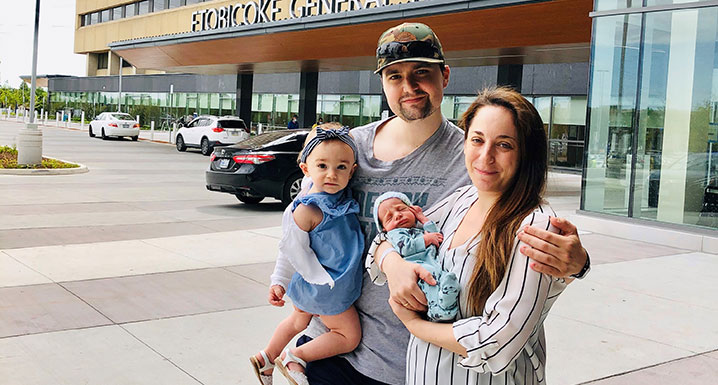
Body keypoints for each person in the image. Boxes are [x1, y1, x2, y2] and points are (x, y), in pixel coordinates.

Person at [299, 22, 590, 385]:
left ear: (445, 76)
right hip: (339, 350)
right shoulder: (347, 149)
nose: (409, 87)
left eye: (422, 72)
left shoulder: (470, 158)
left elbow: (525, 241)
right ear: (383, 83)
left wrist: (577, 264)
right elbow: (299, 227)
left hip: (421, 365)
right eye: (394, 76)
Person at [377, 86, 567, 384]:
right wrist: (393, 264)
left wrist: (414, 325)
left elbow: (498, 342)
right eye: (477, 140)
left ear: (526, 155)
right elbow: (386, 240)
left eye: (504, 145)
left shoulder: (536, 228)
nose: (485, 156)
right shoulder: (462, 199)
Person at [250, 124, 364, 385]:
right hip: (327, 286)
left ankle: (266, 357)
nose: (332, 175)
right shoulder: (306, 209)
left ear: (353, 170)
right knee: (348, 335)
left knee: (297, 321)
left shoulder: (333, 195)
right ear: (306, 168)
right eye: (322, 166)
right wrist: (278, 279)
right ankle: (295, 356)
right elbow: (290, 249)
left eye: (341, 167)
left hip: (314, 286)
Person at [373, 191, 459, 322]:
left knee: (440, 280)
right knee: (429, 282)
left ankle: (446, 303)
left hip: (432, 263)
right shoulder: (396, 234)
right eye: (389, 218)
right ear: (384, 229)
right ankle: (439, 311)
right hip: (417, 267)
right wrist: (426, 239)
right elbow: (405, 248)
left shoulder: (417, 230)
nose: (398, 215)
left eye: (401, 209)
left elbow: (437, 236)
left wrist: (423, 219)